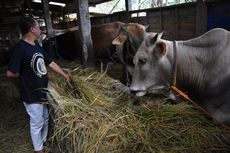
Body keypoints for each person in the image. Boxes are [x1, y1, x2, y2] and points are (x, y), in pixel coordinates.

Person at [6, 16, 69, 153]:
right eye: (38, 26)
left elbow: (50, 63)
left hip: (42, 91)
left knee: (45, 117)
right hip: (30, 93)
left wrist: (65, 75)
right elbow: (10, 73)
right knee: (37, 122)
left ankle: (43, 141)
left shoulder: (37, 46)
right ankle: (38, 150)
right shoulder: (20, 49)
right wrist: (23, 75)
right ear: (32, 29)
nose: (40, 29)